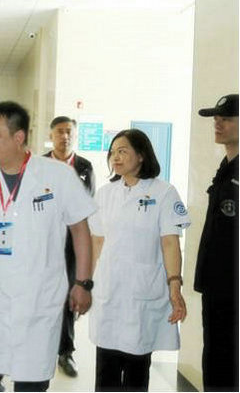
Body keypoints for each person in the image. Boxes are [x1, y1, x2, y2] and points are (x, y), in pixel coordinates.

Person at [0, 101, 96, 392]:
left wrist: (83, 283)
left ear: (19, 137)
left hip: (40, 297)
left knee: (32, 382)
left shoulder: (57, 176)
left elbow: (80, 230)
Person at [88, 129, 190, 392]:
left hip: (143, 293)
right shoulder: (104, 194)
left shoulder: (164, 192)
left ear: (142, 155)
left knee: (137, 370)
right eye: (113, 152)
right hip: (109, 291)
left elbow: (170, 242)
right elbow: (97, 242)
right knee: (106, 371)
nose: (115, 157)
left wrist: (175, 285)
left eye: (123, 151)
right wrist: (86, 282)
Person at [43, 116, 95, 378]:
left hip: (72, 244)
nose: (65, 137)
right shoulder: (38, 165)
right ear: (51, 135)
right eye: (60, 132)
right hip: (42, 243)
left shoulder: (84, 167)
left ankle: (66, 351)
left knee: (68, 297)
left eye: (69, 132)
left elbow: (88, 206)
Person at [195, 94, 239, 392]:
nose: (217, 124)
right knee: (215, 357)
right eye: (216, 119)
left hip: (233, 289)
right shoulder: (226, 167)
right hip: (217, 287)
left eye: (226, 119)